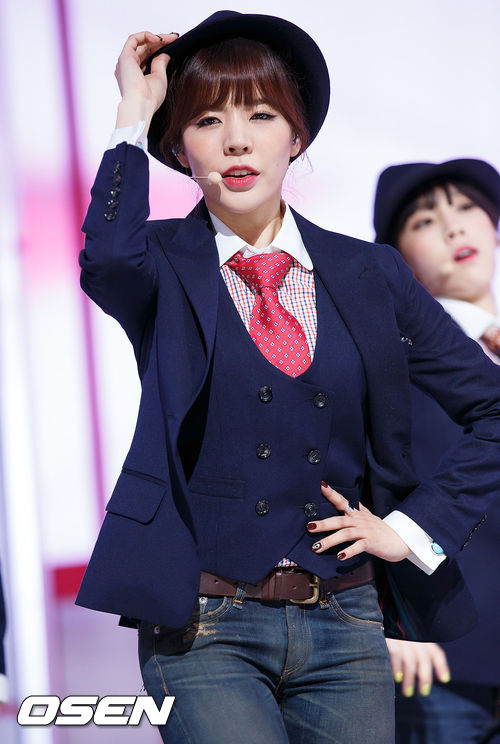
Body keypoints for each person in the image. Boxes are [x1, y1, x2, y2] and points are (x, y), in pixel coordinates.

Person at [76, 11, 500, 743]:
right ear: (178, 146)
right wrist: (134, 112)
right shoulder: (159, 263)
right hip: (202, 624)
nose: (237, 140)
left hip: (346, 619)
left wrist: (411, 530)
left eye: (262, 115)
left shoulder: (370, 272)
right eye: (207, 120)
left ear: (296, 138)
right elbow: (106, 258)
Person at [373, 158, 500, 743]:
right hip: (445, 659)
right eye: (425, 221)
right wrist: (388, 621)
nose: (454, 228)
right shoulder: (393, 363)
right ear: (397, 257)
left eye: (467, 208)